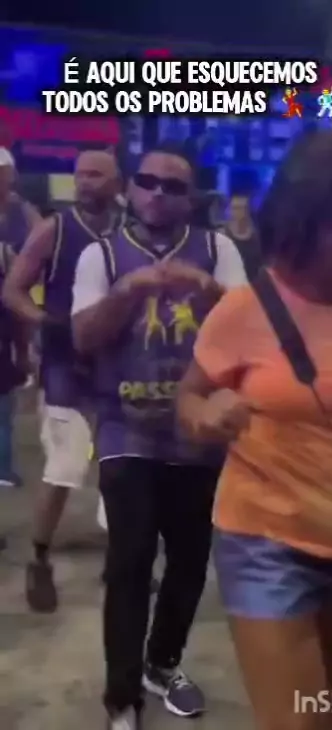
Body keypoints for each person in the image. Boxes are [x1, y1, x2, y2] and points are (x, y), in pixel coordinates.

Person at [176, 129, 332, 730]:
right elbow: (189, 398)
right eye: (330, 220)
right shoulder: (246, 308)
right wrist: (207, 415)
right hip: (265, 540)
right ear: (296, 215)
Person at [71, 142, 247, 730]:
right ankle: (121, 697)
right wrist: (130, 291)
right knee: (130, 561)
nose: (158, 194)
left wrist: (207, 289)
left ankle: (161, 664)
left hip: (199, 434)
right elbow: (84, 338)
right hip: (126, 431)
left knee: (191, 562)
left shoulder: (219, 251)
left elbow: (248, 330)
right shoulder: (101, 255)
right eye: (148, 181)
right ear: (131, 187)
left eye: (174, 187)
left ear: (191, 197)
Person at [2, 149, 123, 614]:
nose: (86, 181)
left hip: (116, 362)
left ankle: (122, 560)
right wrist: (43, 322)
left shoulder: (127, 230)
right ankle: (38, 558)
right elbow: (12, 289)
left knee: (121, 465)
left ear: (116, 182)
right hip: (64, 363)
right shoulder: (54, 229)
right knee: (65, 465)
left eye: (96, 174)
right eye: (81, 174)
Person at [0, 147, 42, 485]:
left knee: (5, 394)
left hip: (10, 311)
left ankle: (2, 465)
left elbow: (43, 242)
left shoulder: (21, 211)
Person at [0, 240, 30, 546]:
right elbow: (16, 312)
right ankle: (4, 470)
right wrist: (22, 353)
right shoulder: (4, 254)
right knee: (2, 421)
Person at [223, 194, 262, 280]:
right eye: (236, 208)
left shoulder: (257, 236)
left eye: (244, 208)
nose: (241, 212)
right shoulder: (222, 235)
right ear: (230, 210)